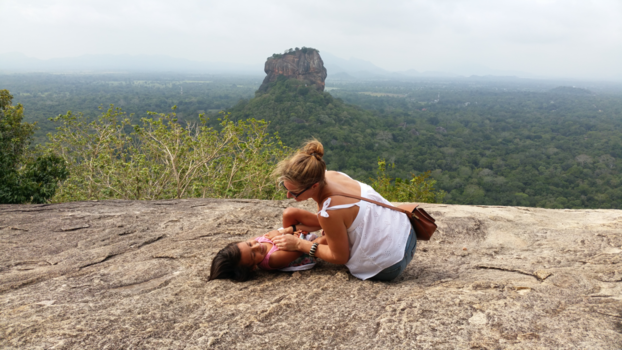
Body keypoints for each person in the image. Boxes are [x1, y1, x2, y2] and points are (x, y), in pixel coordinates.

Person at [270, 139, 417, 281]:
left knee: (323, 242)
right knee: (328, 235)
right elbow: (338, 220)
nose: (289, 195)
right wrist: (292, 229)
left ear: (314, 186)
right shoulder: (331, 175)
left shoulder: (330, 211)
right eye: (285, 187)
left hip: (390, 264)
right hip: (408, 232)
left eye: (294, 192)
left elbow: (339, 257)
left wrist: (299, 244)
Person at [208, 229, 327, 281]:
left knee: (290, 213)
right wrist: (281, 236)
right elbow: (299, 249)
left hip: (293, 239)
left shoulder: (255, 242)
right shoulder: (272, 259)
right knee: (321, 241)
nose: (256, 246)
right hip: (304, 250)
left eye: (249, 244)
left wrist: (287, 232)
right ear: (253, 267)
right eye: (253, 255)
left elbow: (267, 236)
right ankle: (335, 234)